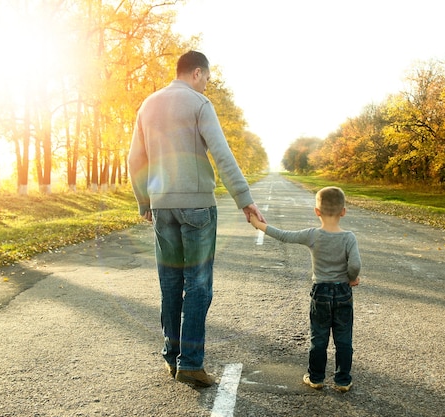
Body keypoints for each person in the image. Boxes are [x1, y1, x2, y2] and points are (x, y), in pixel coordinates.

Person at [128, 51, 265, 388]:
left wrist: (144, 200)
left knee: (171, 283)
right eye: (206, 79)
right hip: (198, 208)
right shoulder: (199, 104)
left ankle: (171, 357)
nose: (206, 85)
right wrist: (245, 201)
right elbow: (221, 153)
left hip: (162, 207)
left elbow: (134, 158)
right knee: (199, 285)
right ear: (197, 72)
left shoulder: (148, 105)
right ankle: (190, 363)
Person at [250, 186, 361, 392]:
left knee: (319, 337)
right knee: (343, 338)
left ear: (316, 211)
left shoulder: (312, 235)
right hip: (343, 293)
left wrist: (258, 224)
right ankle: (342, 380)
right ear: (343, 211)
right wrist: (351, 278)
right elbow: (354, 265)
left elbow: (284, 235)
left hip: (321, 292)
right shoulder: (349, 237)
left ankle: (316, 377)